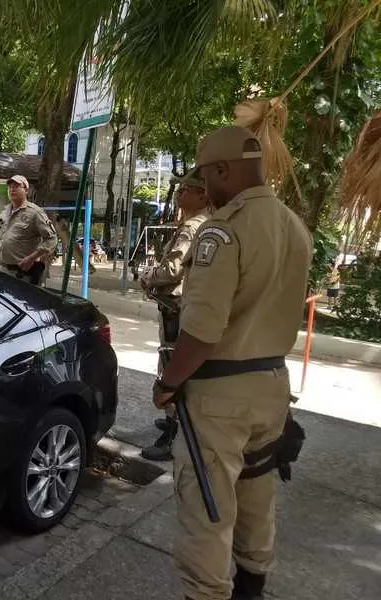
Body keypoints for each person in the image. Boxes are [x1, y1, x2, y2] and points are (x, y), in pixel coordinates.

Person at [152, 126, 312, 600]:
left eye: (206, 175)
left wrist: (168, 382)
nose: (205, 188)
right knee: (258, 496)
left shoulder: (222, 232)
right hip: (272, 387)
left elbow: (202, 331)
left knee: (208, 511)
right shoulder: (293, 225)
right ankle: (253, 586)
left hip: (221, 397)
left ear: (223, 169)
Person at [138, 172, 211, 462]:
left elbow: (172, 270)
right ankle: (175, 421)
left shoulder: (193, 226)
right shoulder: (206, 223)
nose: (180, 196)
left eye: (186, 191)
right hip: (184, 304)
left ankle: (174, 430)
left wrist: (147, 276)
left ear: (202, 196)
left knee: (170, 365)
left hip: (175, 305)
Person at [0, 174, 58, 285]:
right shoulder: (4, 212)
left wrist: (32, 258)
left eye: (17, 186)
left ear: (26, 190)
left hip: (23, 275)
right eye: (10, 187)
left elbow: (52, 239)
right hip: (1, 271)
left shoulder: (35, 212)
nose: (12, 189)